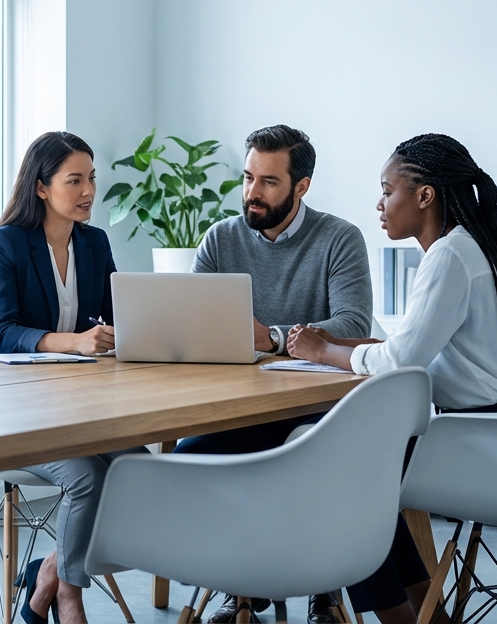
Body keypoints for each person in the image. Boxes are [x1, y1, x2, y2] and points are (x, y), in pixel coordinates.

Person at [287, 133, 497, 624]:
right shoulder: (475, 248)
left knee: (344, 482)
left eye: (388, 191)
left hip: (494, 439)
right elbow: (414, 349)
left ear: (424, 195)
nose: (379, 203)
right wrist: (340, 345)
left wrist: (322, 350)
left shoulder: (449, 256)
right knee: (362, 482)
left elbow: (401, 363)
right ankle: (426, 618)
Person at [172, 124, 373, 624]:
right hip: (238, 403)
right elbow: (198, 319)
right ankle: (240, 583)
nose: (252, 193)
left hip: (317, 406)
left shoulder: (339, 238)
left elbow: (353, 324)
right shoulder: (220, 239)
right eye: (247, 178)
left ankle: (322, 588)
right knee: (190, 456)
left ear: (300, 186)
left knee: (303, 462)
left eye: (267, 182)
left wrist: (275, 338)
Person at [0, 131, 145, 624]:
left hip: (77, 403)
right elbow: (1, 331)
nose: (88, 190)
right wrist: (75, 342)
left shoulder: (94, 243)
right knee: (87, 477)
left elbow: (115, 316)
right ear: (42, 187)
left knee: (140, 470)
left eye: (91, 177)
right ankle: (69, 594)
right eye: (75, 180)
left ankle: (48, 572)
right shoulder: (3, 244)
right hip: (10, 407)